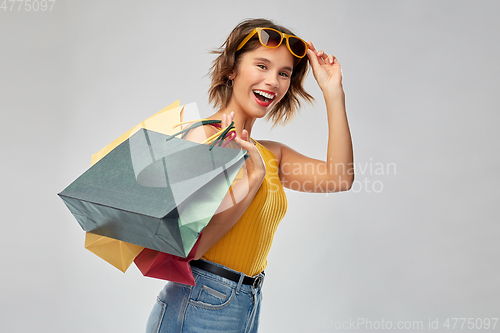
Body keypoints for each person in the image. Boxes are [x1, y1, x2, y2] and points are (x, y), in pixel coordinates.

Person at [146, 18, 354, 332]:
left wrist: (332, 91)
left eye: (284, 73)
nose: (273, 81)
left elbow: (340, 178)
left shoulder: (270, 154)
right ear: (232, 70)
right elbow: (190, 248)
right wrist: (252, 179)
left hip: (246, 300)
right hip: (201, 300)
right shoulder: (204, 139)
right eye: (262, 66)